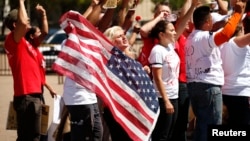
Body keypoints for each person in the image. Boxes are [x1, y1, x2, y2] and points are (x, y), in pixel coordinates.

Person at [185, 2, 246, 141]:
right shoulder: (205, 38)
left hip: (195, 86)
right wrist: (237, 12)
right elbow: (225, 34)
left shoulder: (192, 37)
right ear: (207, 22)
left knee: (201, 126)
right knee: (212, 127)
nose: (214, 25)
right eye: (212, 22)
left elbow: (220, 27)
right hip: (208, 87)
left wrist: (233, 16)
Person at [3, 0, 50, 140]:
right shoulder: (12, 40)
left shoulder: (28, 42)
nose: (28, 20)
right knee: (29, 137)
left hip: (34, 94)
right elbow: (23, 23)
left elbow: (45, 32)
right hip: (26, 95)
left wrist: (44, 15)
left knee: (33, 136)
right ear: (15, 25)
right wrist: (21, 2)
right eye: (24, 17)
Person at [147, 20, 179, 141]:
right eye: (171, 30)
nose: (174, 32)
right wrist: (166, 101)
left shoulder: (170, 46)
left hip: (174, 95)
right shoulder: (157, 51)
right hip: (163, 98)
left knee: (170, 133)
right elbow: (157, 77)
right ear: (161, 34)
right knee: (162, 134)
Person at [220, 2, 250, 126]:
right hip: (239, 92)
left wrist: (240, 10)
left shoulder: (222, 43)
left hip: (226, 92)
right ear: (242, 28)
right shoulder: (236, 42)